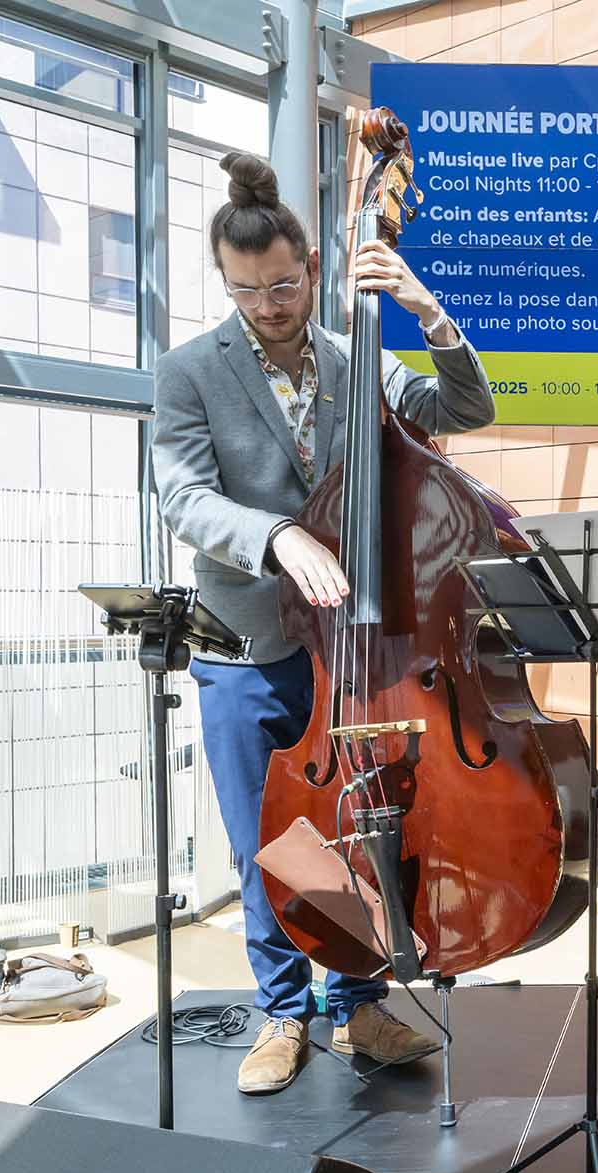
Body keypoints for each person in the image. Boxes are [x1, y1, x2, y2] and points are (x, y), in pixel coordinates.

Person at [152, 152, 496, 1095]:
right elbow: (183, 497)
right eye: (246, 289)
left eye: (283, 285)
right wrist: (276, 536)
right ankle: (282, 1011)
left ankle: (360, 1005)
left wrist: (427, 311)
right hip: (249, 643)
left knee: (358, 821)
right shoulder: (189, 372)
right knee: (265, 835)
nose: (267, 305)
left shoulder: (359, 356)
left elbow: (465, 408)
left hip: (358, 647)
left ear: (312, 268)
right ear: (225, 281)